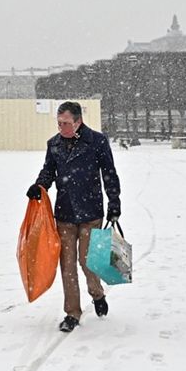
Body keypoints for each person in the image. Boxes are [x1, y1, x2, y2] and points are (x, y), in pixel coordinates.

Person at [25, 101, 122, 333]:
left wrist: (114, 203)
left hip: (91, 212)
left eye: (66, 123)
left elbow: (109, 173)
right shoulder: (54, 144)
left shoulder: (97, 141)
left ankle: (97, 294)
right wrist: (39, 186)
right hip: (65, 213)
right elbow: (48, 170)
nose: (62, 128)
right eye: (59, 123)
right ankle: (72, 312)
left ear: (78, 121)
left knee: (88, 262)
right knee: (67, 265)